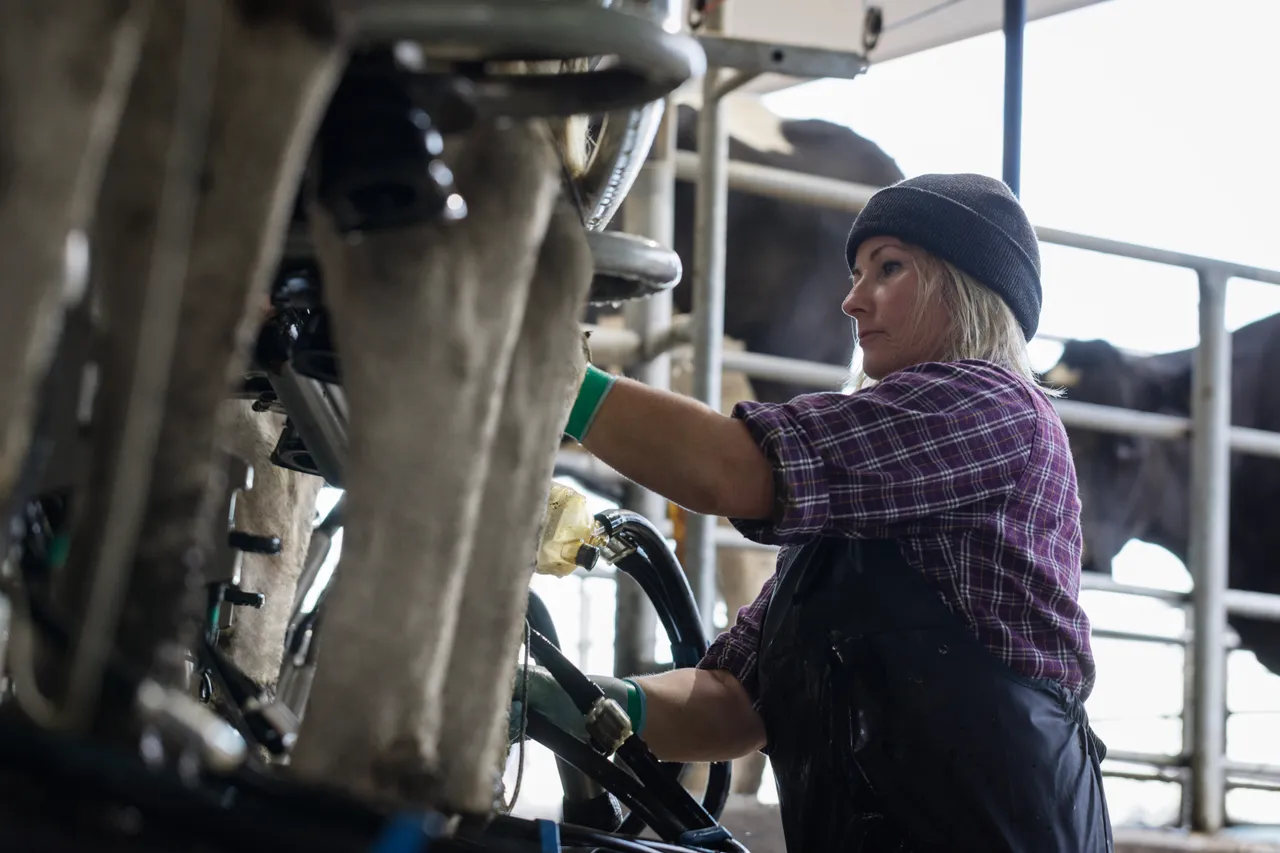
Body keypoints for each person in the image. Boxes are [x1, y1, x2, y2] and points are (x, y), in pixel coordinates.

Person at [511, 173, 1114, 852]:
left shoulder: (996, 410)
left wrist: (557, 380)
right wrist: (576, 702)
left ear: (970, 285)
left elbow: (731, 468)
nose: (854, 301)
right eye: (857, 274)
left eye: (889, 268)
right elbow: (734, 704)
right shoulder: (848, 514)